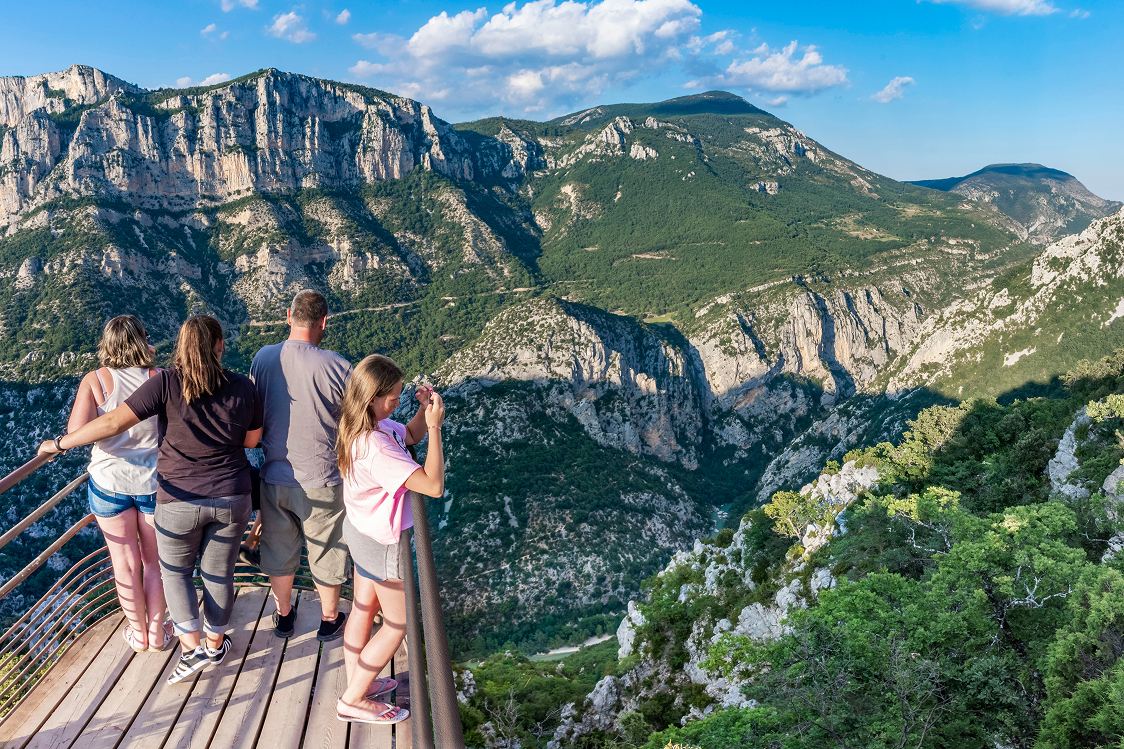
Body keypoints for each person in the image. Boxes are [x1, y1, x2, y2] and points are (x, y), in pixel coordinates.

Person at [40, 315, 262, 685]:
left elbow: (112, 424)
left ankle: (188, 649)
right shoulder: (242, 385)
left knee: (174, 571)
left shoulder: (167, 382)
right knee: (217, 572)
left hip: (176, 497)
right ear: (220, 346)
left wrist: (59, 444)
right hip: (231, 495)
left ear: (181, 346)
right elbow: (252, 441)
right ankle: (214, 644)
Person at [335, 354, 444, 725]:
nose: (398, 403)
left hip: (360, 531)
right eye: (394, 398)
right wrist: (436, 429)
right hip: (381, 544)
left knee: (363, 610)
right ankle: (352, 700)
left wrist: (422, 411)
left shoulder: (366, 425)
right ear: (372, 398)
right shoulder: (376, 447)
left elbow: (407, 434)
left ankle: (359, 682)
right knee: (397, 624)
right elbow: (432, 485)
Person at [250, 290, 352, 642]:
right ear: (324, 322)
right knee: (327, 550)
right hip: (323, 478)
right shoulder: (338, 366)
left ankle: (283, 615)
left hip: (274, 475)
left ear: (288, 317)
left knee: (278, 551)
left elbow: (253, 414)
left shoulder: (262, 359)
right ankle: (328, 619)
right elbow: (355, 423)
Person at [67, 315, 170, 653]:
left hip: (109, 482)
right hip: (154, 483)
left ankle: (138, 635)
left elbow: (75, 434)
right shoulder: (159, 378)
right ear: (143, 341)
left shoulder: (95, 380)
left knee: (124, 562)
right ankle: (158, 634)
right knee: (157, 562)